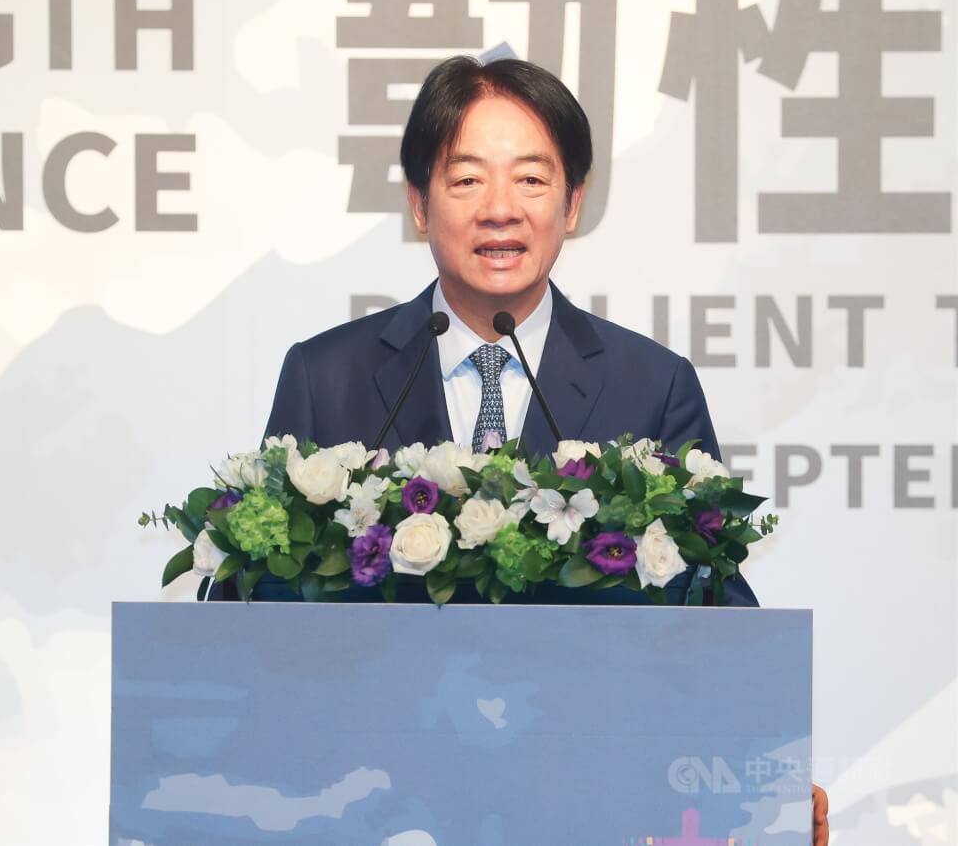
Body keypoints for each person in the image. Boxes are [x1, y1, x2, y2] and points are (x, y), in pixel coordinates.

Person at [220, 54, 829, 842]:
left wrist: (765, 781)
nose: (500, 209)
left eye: (532, 180)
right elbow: (248, 624)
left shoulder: (651, 386)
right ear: (419, 203)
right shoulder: (326, 377)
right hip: (375, 812)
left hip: (592, 809)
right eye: (467, 179)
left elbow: (715, 622)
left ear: (573, 203)